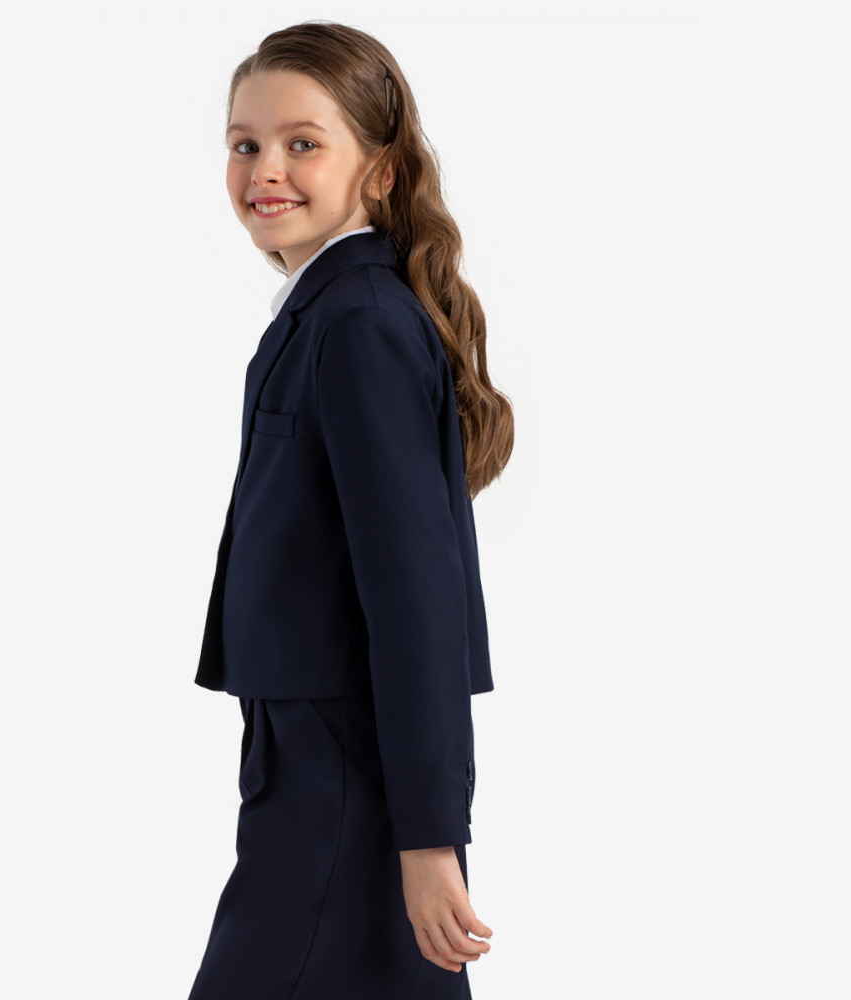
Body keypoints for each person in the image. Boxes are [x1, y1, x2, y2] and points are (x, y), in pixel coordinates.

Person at [188, 20, 514, 999]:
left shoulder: (360, 324)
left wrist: (429, 837)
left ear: (381, 170)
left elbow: (416, 601)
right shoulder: (325, 313)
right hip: (307, 759)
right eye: (245, 143)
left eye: (302, 142)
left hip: (348, 773)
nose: (265, 169)